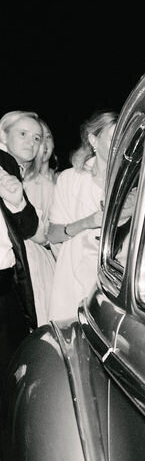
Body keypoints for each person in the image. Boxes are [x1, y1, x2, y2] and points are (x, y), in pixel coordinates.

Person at [48, 110, 117, 322]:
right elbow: (53, 234)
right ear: (93, 139)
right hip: (74, 279)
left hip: (115, 280)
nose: (120, 143)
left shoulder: (132, 180)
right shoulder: (70, 179)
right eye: (113, 137)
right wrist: (88, 222)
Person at [0, 110, 41, 367]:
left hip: (6, 279)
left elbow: (28, 227)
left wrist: (17, 201)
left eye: (37, 138)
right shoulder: (4, 162)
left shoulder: (10, 168)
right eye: (23, 134)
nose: (31, 142)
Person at [22, 118, 59, 323]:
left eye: (48, 137)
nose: (43, 143)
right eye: (38, 138)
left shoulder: (62, 180)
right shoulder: (20, 181)